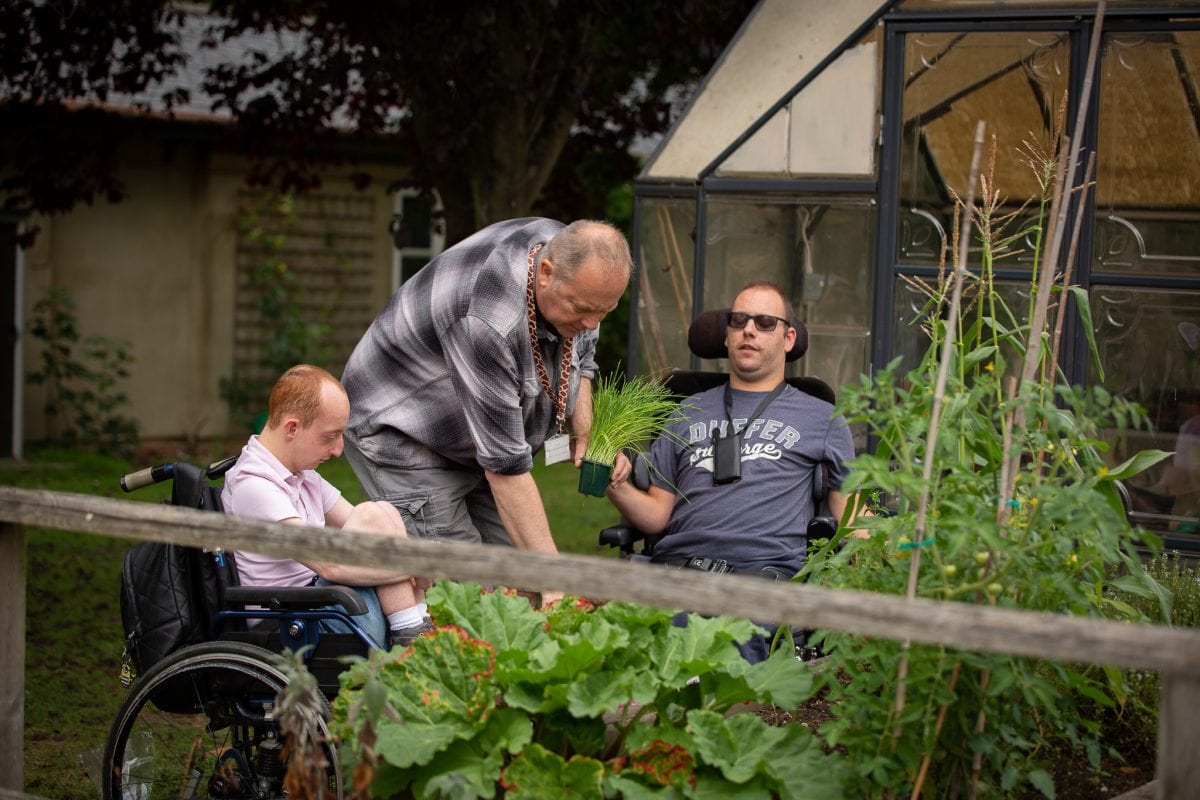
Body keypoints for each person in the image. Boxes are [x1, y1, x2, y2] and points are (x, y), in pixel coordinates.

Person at [340, 217, 633, 607]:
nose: (592, 324)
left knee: (519, 581)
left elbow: (582, 356)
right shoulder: (487, 321)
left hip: (471, 439)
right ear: (545, 273)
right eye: (582, 310)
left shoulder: (571, 259)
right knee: (472, 598)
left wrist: (586, 428)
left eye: (604, 312)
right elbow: (506, 468)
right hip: (401, 431)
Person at [604, 281, 860, 662]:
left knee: (723, 673)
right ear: (726, 336)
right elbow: (656, 516)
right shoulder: (684, 411)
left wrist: (903, 544)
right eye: (738, 320)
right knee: (629, 658)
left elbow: (852, 517)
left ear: (789, 338)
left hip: (759, 584)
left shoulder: (822, 418)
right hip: (675, 576)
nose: (749, 330)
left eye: (764, 322)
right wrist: (616, 483)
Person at [221, 364, 434, 650]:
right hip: (293, 624)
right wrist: (412, 566)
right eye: (329, 436)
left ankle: (413, 627)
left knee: (381, 512)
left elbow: (374, 527)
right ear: (292, 428)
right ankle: (413, 629)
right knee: (375, 517)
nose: (338, 450)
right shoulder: (254, 485)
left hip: (323, 607)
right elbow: (330, 565)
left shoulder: (303, 476)